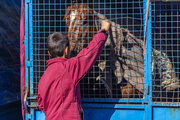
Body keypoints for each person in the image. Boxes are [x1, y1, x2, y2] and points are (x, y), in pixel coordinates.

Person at [38, 20, 111, 120]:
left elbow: (41, 104)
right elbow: (89, 53)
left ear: (49, 53)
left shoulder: (43, 77)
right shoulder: (68, 68)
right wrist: (103, 31)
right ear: (66, 50)